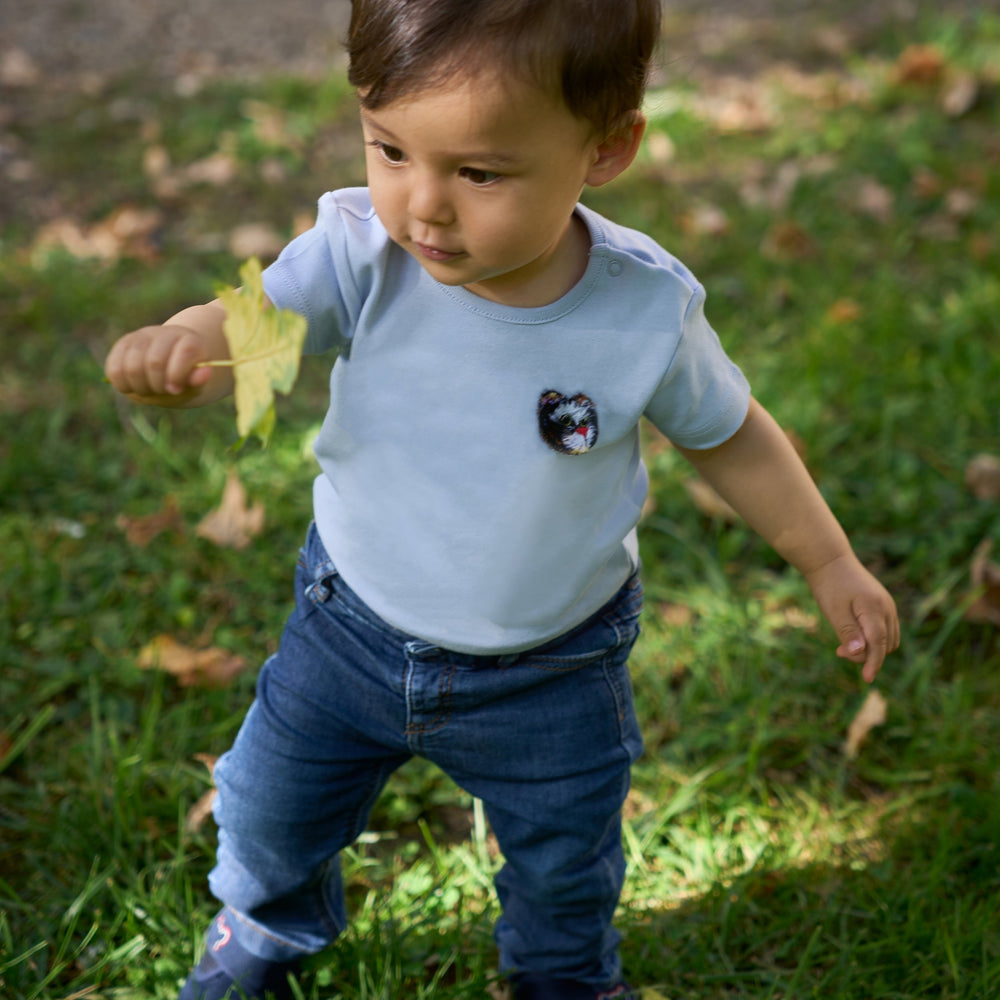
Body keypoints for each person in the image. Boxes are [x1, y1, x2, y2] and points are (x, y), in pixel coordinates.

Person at [104, 1, 900, 997]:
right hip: (347, 630)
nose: (423, 206)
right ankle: (268, 922)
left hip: (552, 666)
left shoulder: (640, 308)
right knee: (267, 807)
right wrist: (193, 340)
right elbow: (264, 318)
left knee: (565, 859)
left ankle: (561, 975)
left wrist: (826, 560)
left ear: (605, 150)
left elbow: (729, 433)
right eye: (388, 149)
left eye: (478, 172)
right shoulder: (364, 250)